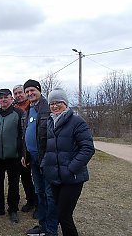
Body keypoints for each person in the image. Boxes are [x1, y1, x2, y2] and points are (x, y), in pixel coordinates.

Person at [42, 88, 95, 236]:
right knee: (60, 214)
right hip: (55, 177)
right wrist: (46, 166)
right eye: (51, 103)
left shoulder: (77, 122)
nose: (54, 106)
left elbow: (88, 149)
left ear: (65, 103)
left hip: (72, 178)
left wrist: (71, 168)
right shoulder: (50, 122)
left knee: (64, 215)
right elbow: (49, 148)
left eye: (58, 102)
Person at [21, 80, 58, 236]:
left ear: (39, 90)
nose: (30, 93)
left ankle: (51, 229)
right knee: (40, 192)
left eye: (32, 90)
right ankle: (42, 226)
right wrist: (25, 154)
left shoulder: (47, 108)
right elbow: (25, 134)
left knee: (50, 195)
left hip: (46, 159)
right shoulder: (28, 109)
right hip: (33, 159)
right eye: (27, 91)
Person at [0, 88, 23, 223]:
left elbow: (22, 133)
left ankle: (12, 209)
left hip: (14, 156)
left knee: (13, 185)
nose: (3, 100)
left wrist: (19, 149)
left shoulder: (18, 113)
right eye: (1, 98)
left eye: (6, 97)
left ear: (11, 99)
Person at [13, 85, 38, 217]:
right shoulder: (14, 108)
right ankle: (31, 200)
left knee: (37, 178)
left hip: (34, 148)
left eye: (20, 92)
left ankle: (40, 204)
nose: (18, 95)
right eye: (15, 93)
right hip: (21, 149)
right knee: (25, 177)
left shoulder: (32, 106)